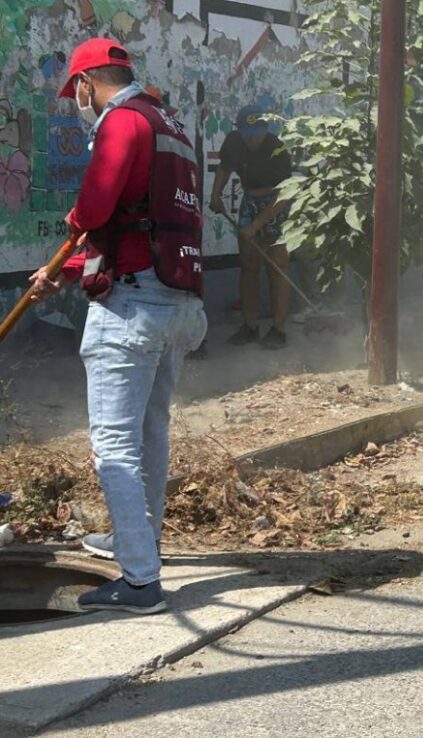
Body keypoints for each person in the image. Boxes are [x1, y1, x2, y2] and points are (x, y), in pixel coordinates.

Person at [28, 38, 207, 614]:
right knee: (150, 431)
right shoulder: (168, 124)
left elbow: (99, 208)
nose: (77, 102)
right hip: (178, 301)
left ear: (85, 83)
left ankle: (138, 582)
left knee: (112, 445)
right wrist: (70, 269)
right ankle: (140, 542)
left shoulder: (121, 121)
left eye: (75, 93)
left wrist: (76, 222)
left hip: (133, 308)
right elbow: (141, 219)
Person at [209, 105, 293, 349]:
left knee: (278, 266)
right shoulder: (234, 142)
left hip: (276, 204)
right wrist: (216, 195)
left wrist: (256, 225)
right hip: (249, 201)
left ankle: (278, 329)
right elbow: (225, 167)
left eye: (256, 133)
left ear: (266, 129)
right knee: (248, 266)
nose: (252, 139)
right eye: (247, 133)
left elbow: (285, 195)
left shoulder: (278, 149)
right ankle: (250, 326)